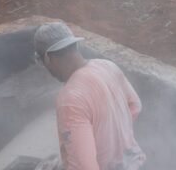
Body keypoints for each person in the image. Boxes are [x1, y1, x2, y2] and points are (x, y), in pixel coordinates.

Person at [33, 22, 145, 170]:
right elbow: (135, 105)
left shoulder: (70, 99)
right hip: (135, 163)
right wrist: (110, 137)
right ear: (74, 46)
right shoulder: (107, 66)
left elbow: (84, 166)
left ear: (48, 58)